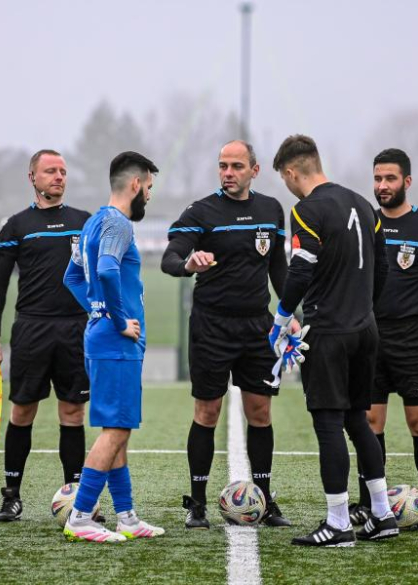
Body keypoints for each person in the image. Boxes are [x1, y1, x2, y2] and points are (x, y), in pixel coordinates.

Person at [270, 134, 398, 547]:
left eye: (285, 179)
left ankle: (339, 523)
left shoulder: (305, 211)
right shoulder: (365, 204)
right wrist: (364, 308)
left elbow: (301, 270)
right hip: (366, 330)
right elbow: (382, 268)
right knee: (357, 420)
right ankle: (382, 515)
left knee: (328, 423)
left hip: (328, 332)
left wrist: (281, 317)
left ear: (292, 172)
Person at [161, 140, 294, 529]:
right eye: (222, 165)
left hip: (258, 328)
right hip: (211, 326)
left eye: (236, 166)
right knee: (207, 412)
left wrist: (291, 314)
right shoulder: (201, 211)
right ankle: (198, 503)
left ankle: (266, 501)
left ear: (255, 170)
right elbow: (170, 258)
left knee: (260, 412)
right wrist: (189, 261)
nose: (228, 173)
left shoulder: (272, 209)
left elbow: (279, 269)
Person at [350, 148, 418, 531]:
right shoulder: (365, 222)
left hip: (413, 337)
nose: (382, 186)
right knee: (370, 421)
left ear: (407, 182)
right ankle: (369, 506)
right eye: (378, 179)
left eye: (390, 179)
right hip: (370, 335)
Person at [61, 151, 165, 543]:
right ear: (135, 184)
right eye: (149, 188)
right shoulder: (118, 224)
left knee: (117, 429)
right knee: (116, 431)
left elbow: (72, 276)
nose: (149, 197)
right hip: (115, 344)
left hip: (101, 340)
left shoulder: (91, 223)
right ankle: (81, 516)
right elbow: (104, 269)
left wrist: (97, 310)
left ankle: (126, 516)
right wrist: (118, 321)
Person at [0, 149, 91, 522]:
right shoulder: (17, 225)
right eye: (50, 171)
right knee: (23, 410)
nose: (58, 177)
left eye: (62, 171)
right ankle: (11, 496)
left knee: (73, 412)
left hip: (77, 329)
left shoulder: (85, 222)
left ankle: (77, 497)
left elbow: (108, 271)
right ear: (33, 177)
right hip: (32, 328)